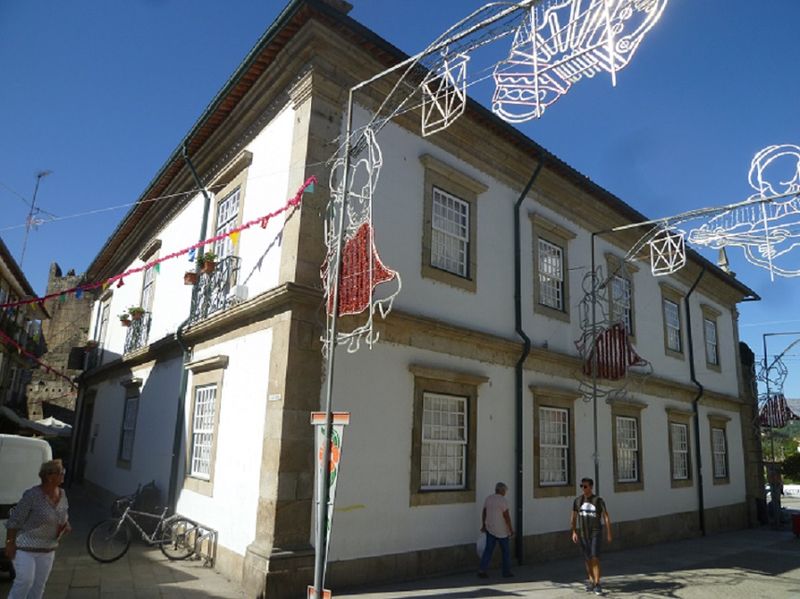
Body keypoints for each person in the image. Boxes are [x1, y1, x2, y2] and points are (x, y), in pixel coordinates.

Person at [5, 459, 71, 599]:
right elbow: (14, 521)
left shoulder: (62, 494)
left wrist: (66, 525)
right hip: (25, 548)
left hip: (48, 549)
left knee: (39, 586)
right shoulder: (32, 495)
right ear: (49, 476)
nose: (63, 474)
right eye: (61, 472)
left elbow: (63, 516)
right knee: (25, 582)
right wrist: (10, 543)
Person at [571, 477, 611, 596]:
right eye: (581, 486)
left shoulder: (598, 500)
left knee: (595, 557)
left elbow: (606, 516)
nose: (583, 488)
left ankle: (598, 583)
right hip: (583, 533)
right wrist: (573, 531)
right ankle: (592, 581)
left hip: (595, 532)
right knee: (587, 559)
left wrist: (609, 532)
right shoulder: (577, 501)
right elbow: (573, 517)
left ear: (591, 487)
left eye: (585, 486)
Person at [477, 482, 514, 579]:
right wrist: (510, 529)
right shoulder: (503, 501)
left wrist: (484, 524)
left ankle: (482, 570)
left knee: (488, 550)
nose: (505, 492)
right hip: (502, 530)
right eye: (505, 491)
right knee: (505, 552)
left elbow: (484, 512)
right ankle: (506, 572)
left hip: (490, 528)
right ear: (501, 490)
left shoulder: (488, 499)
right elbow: (506, 516)